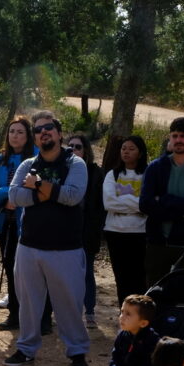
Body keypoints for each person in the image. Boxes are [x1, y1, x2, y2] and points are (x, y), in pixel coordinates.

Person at [4, 111, 90, 366]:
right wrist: (48, 193)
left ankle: (77, 352)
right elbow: (14, 196)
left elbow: (73, 196)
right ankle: (26, 349)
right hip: (29, 246)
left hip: (66, 249)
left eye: (48, 128)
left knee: (69, 304)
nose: (44, 132)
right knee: (28, 303)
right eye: (39, 129)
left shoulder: (75, 164)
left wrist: (38, 185)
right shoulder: (27, 164)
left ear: (59, 133)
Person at [140, 117, 184, 285]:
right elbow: (145, 204)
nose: (178, 140)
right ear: (170, 138)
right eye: (175, 136)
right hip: (158, 243)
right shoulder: (155, 168)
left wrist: (163, 200)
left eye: (183, 136)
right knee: (154, 296)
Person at [0, 115, 35, 331]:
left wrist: (1, 193)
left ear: (28, 135)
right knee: (9, 266)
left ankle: (35, 316)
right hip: (5, 219)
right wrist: (0, 194)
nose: (15, 135)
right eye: (12, 131)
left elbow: (26, 185)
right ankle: (14, 313)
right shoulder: (1, 158)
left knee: (28, 270)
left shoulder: (35, 157)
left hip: (28, 220)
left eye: (20, 132)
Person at [102, 135, 148, 306]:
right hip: (115, 232)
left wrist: (123, 201)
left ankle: (140, 316)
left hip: (139, 233)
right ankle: (125, 315)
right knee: (121, 279)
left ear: (141, 152)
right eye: (123, 148)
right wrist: (135, 204)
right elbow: (109, 202)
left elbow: (147, 204)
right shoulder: (112, 175)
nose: (126, 152)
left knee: (139, 278)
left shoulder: (148, 174)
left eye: (131, 148)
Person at [70, 134, 104, 328]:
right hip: (66, 231)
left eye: (78, 147)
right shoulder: (64, 170)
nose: (74, 150)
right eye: (71, 146)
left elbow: (98, 207)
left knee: (86, 272)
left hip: (87, 231)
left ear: (85, 151)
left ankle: (89, 311)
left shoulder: (95, 172)